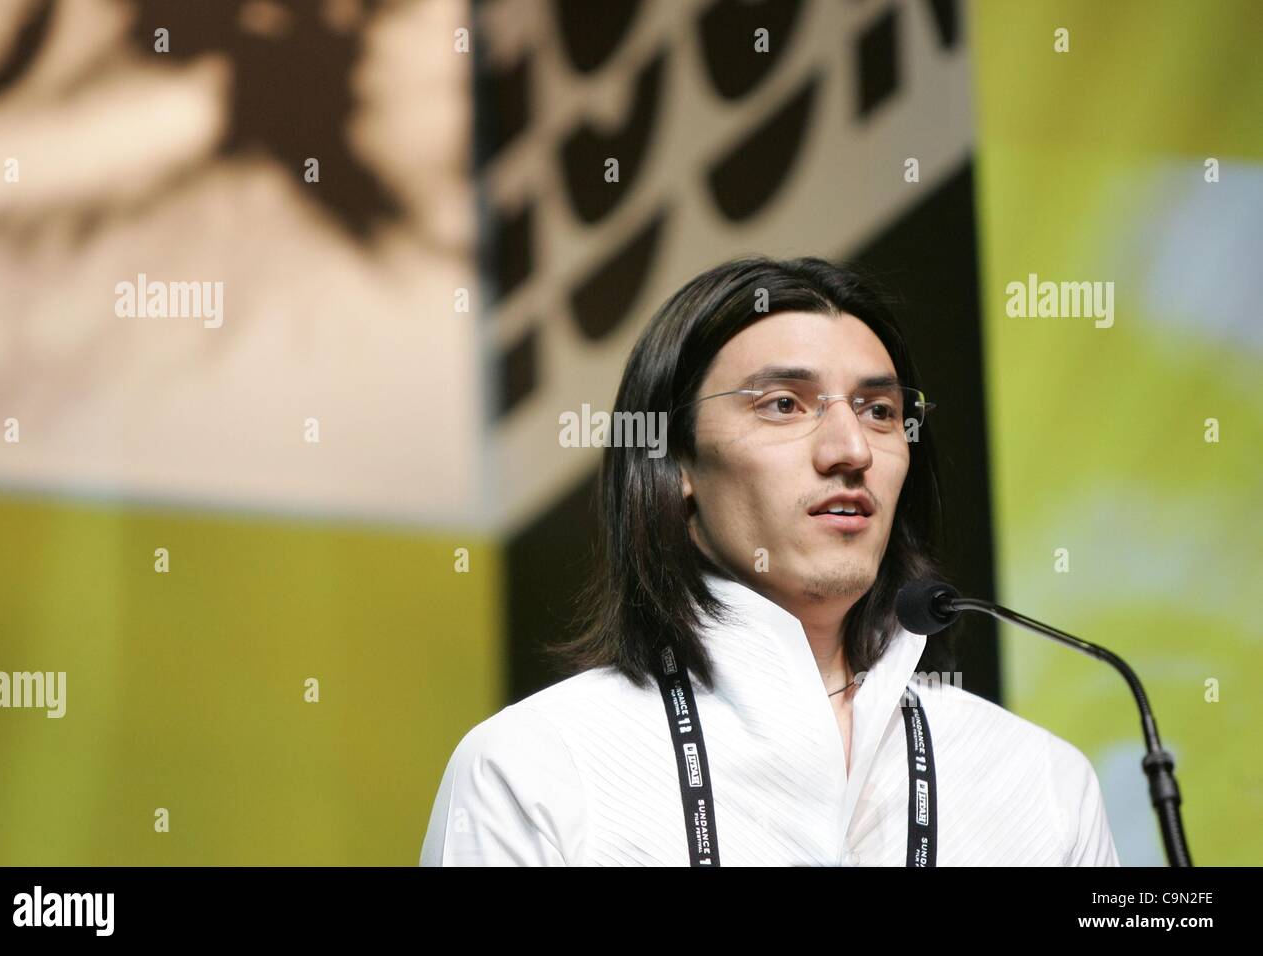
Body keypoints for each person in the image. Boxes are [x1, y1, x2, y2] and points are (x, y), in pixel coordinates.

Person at [420, 255, 1121, 866]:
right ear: (678, 462)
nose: (850, 448)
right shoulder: (535, 767)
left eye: (879, 411)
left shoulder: (1041, 781)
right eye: (785, 404)